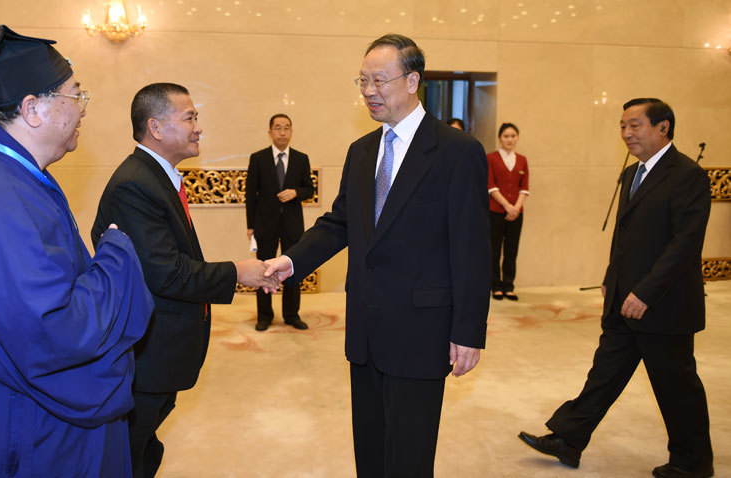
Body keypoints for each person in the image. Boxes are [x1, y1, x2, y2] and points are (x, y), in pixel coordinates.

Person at [0, 25, 154, 477]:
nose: (83, 108)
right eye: (76, 95)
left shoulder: (3, 169)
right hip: (7, 433)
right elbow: (53, 335)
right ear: (33, 109)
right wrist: (116, 259)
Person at [263, 34, 491, 476]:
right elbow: (340, 222)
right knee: (370, 454)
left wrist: (469, 331)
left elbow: (472, 248)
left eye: (379, 80)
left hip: (422, 331)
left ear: (413, 81)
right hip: (366, 330)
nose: (368, 91)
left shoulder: (458, 151)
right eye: (362, 80)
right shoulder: (362, 151)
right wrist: (290, 261)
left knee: (408, 459)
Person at [91, 82, 278, 478]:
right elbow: (166, 272)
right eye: (190, 117)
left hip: (163, 355)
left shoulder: (157, 177)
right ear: (156, 127)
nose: (198, 127)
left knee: (143, 448)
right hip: (148, 356)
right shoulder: (135, 185)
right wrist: (237, 271)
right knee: (128, 455)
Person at [519, 98, 713, 478]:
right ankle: (568, 438)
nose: (626, 133)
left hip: (664, 305)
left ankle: (693, 462)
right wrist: (613, 279)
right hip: (625, 299)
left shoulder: (687, 175)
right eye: (622, 126)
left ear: (663, 127)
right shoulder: (632, 174)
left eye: (635, 125)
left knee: (676, 386)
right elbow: (623, 238)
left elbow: (685, 244)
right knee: (605, 373)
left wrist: (646, 293)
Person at [246, 113, 314, 331]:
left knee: (294, 268)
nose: (282, 132)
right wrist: (250, 225)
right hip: (264, 224)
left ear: (291, 131)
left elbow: (309, 189)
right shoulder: (258, 158)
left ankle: (291, 314)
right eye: (278, 128)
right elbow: (250, 194)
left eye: (286, 128)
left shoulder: (301, 159)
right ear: (270, 132)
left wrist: (296, 193)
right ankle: (264, 316)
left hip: (292, 225)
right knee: (264, 270)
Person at [487, 122, 529, 301]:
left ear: (517, 137)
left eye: (513, 136)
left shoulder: (522, 160)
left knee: (512, 251)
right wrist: (507, 206)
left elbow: (524, 187)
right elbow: (490, 186)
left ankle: (509, 286)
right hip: (496, 211)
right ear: (500, 138)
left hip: (517, 213)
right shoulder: (491, 158)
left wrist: (516, 208)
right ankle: (495, 286)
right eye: (506, 136)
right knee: (494, 250)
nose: (509, 140)